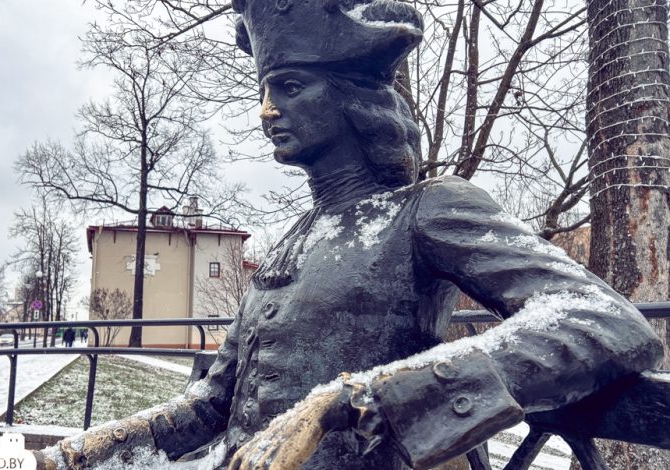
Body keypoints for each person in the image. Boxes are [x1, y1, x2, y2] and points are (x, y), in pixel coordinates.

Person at [38, 1, 663, 469]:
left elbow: (601, 321)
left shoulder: (427, 211)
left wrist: (359, 398)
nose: (266, 110)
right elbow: (214, 402)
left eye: (289, 86)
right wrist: (94, 448)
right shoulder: (295, 236)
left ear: (352, 97)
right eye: (264, 90)